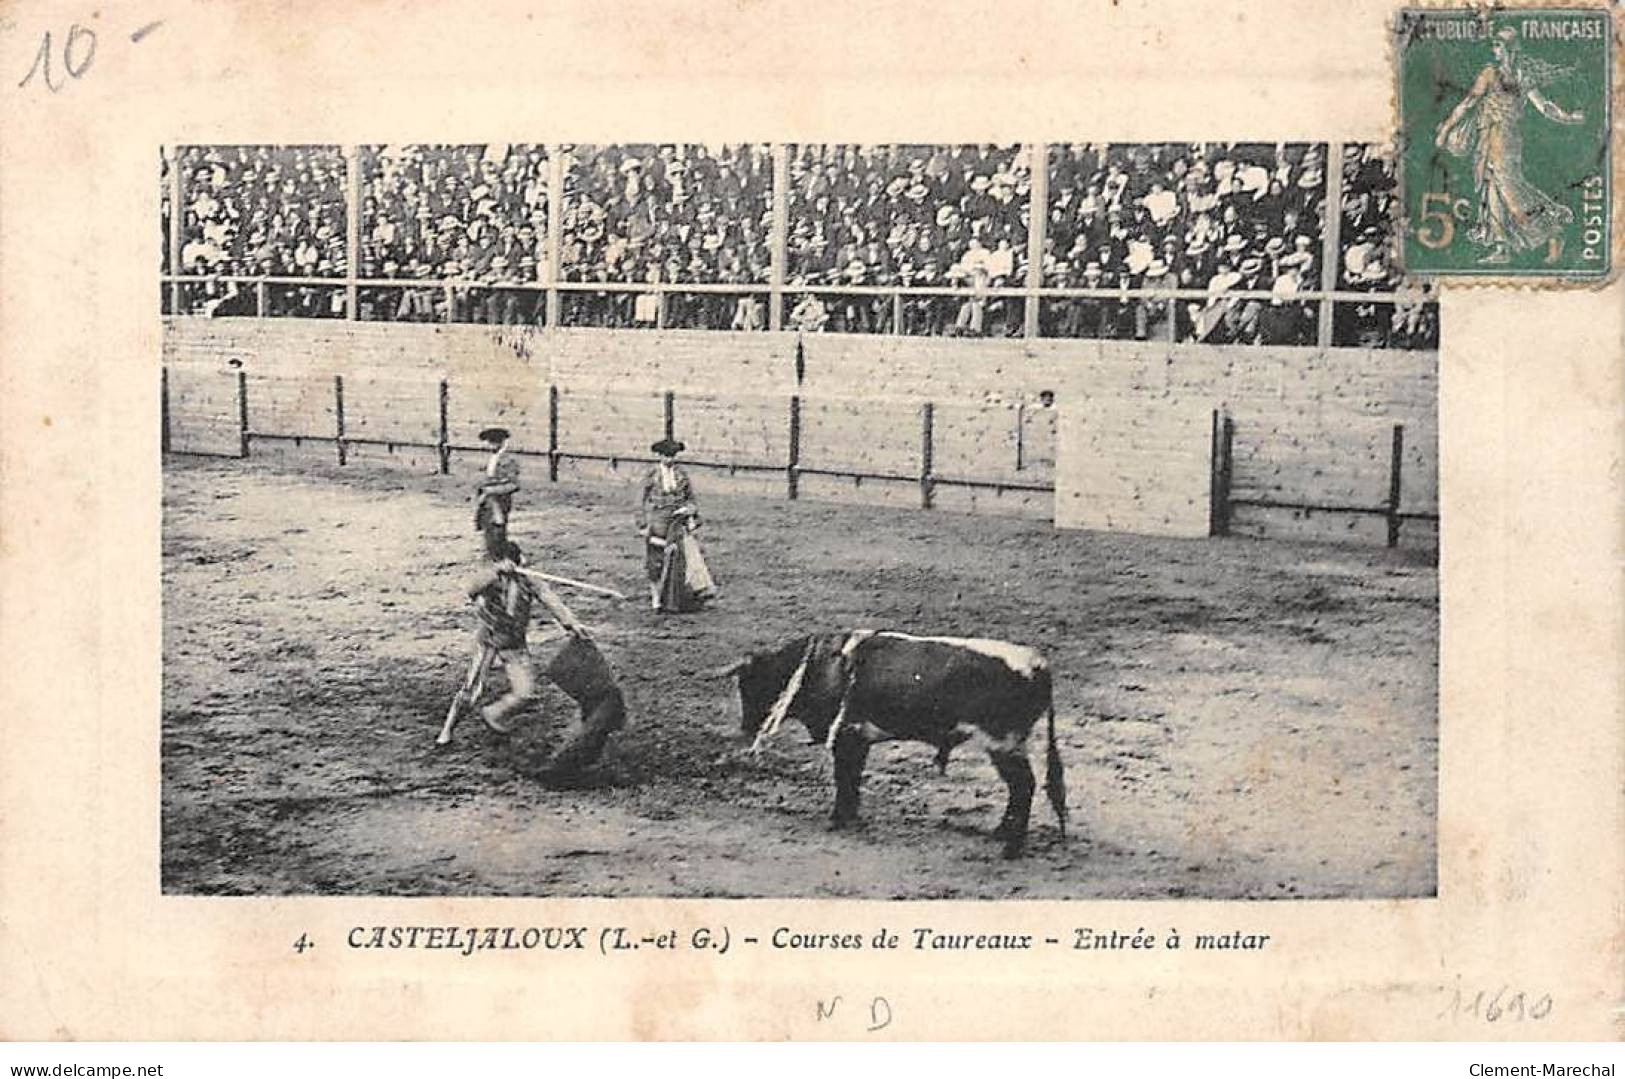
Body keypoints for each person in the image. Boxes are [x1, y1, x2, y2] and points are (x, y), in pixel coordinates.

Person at [1435, 26, 1585, 264]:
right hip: (1490, 135)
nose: (1496, 51)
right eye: (1495, 46)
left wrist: (1567, 117)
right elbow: (1468, 103)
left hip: (1506, 138)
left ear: (1511, 48)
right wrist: (1446, 128)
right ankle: (1502, 247)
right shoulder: (1491, 73)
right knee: (1493, 187)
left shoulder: (1519, 74)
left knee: (1509, 189)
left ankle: (1552, 229)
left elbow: (1543, 105)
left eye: (1500, 46)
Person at [462, 541, 592, 734]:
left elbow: (551, 600)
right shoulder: (490, 577)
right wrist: (497, 570)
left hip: (513, 643)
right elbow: (471, 588)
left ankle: (494, 713)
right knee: (471, 692)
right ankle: (446, 732)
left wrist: (571, 623)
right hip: (488, 639)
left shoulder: (530, 579)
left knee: (525, 693)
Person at [636, 438, 716, 614]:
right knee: (656, 561)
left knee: (679, 560)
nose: (669, 460)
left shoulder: (682, 474)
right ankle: (656, 599)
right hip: (658, 522)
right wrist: (642, 524)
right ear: (658, 456)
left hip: (678, 522)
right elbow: (639, 500)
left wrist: (689, 512)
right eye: (666, 456)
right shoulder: (651, 474)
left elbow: (691, 499)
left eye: (672, 456)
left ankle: (675, 599)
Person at [473, 426, 520, 559]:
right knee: (487, 526)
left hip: (500, 500)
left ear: (502, 442)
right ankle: (492, 553)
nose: (491, 445)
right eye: (490, 441)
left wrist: (491, 490)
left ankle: (506, 555)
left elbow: (513, 484)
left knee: (498, 529)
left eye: (494, 441)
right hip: (487, 499)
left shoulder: (509, 460)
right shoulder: (491, 459)